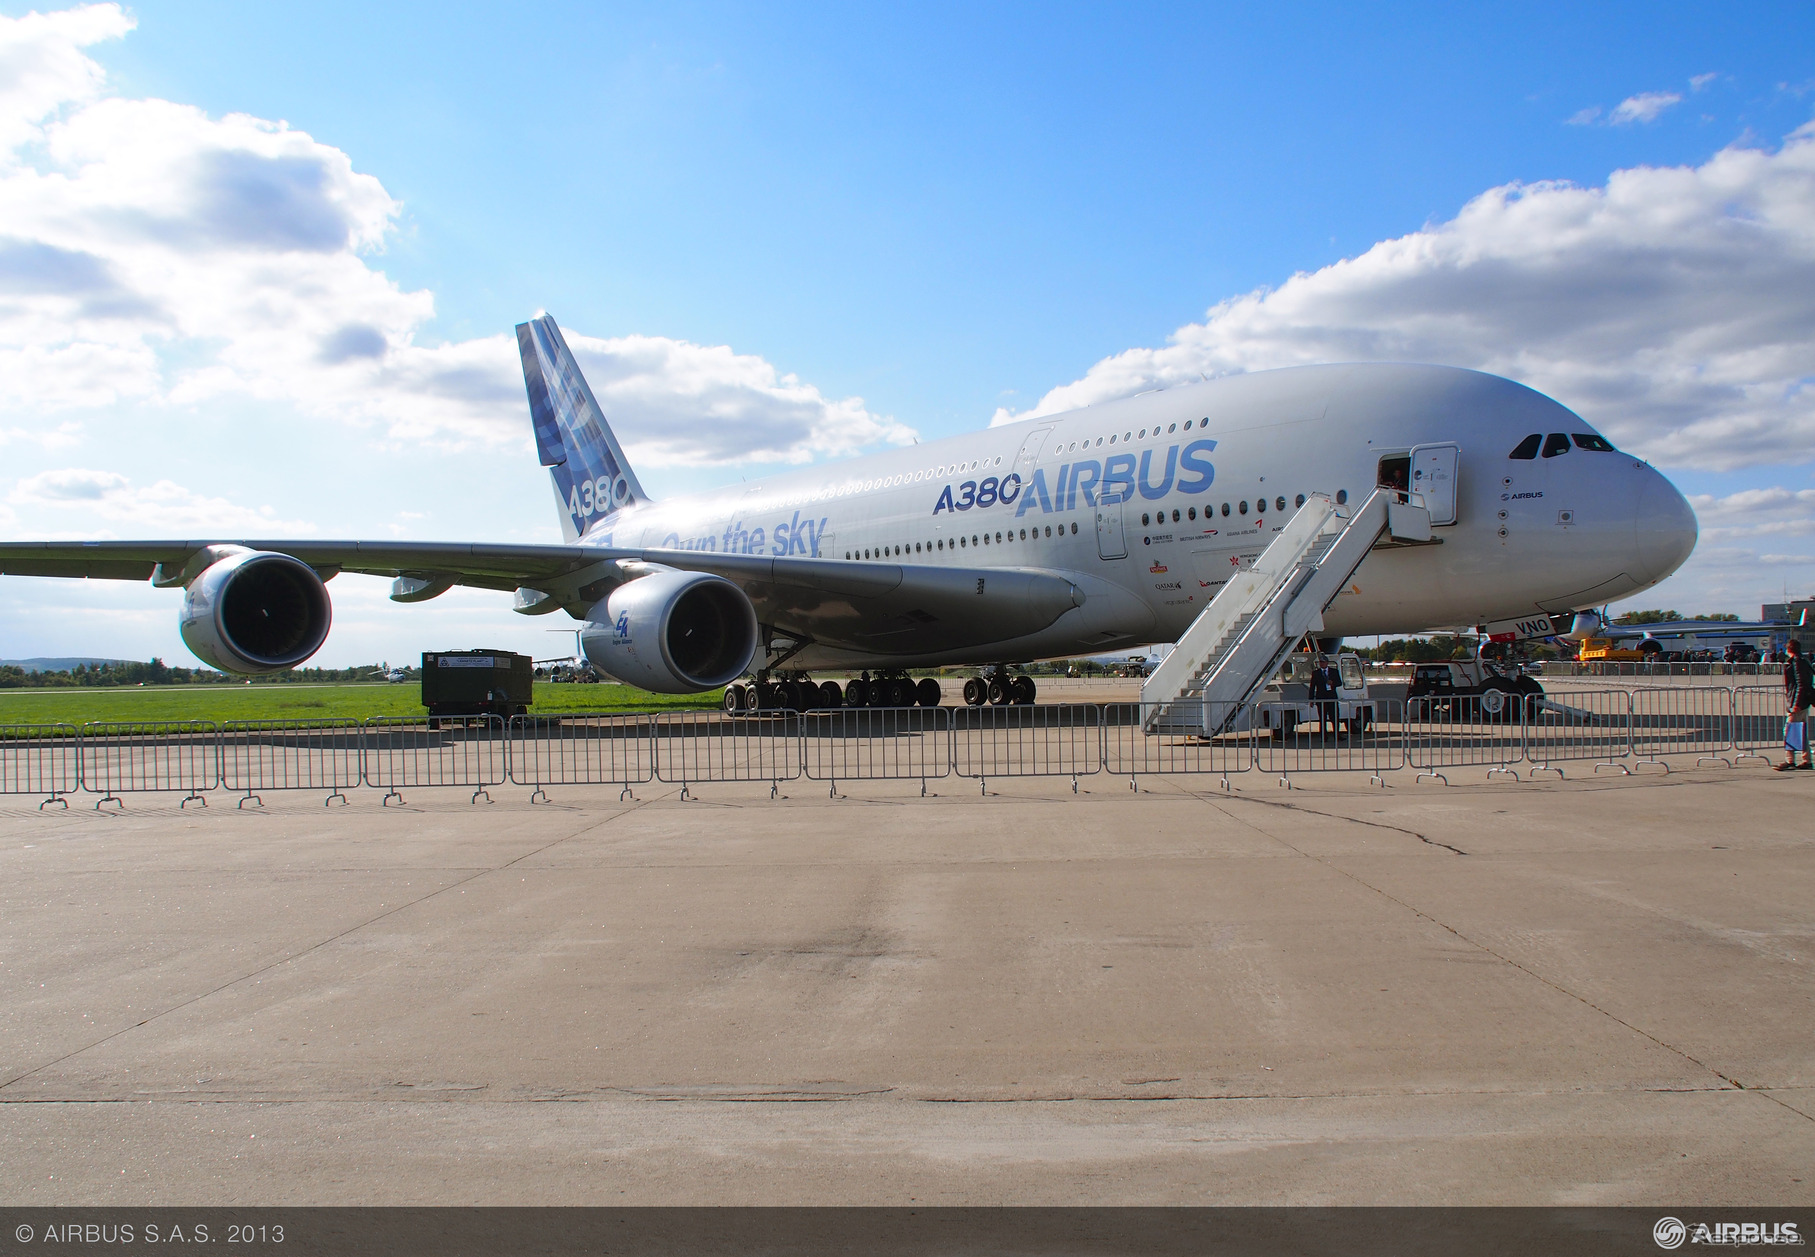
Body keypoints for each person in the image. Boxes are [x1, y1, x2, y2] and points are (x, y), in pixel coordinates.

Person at [1776, 639, 1814, 772]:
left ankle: (1790, 760)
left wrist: (1796, 704)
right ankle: (1806, 760)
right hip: (1804, 702)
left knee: (1789, 729)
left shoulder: (1797, 662)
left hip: (1798, 702)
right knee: (1802, 731)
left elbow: (1801, 684)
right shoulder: (1803, 661)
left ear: (1789, 649)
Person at [1308, 653, 1341, 734]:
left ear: (1327, 663)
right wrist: (1311, 699)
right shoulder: (1316, 673)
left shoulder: (1334, 671)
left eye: (1323, 662)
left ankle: (1337, 735)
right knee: (1322, 718)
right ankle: (1323, 736)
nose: (1322, 663)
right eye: (1320, 662)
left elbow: (1339, 683)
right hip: (1321, 697)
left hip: (1332, 697)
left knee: (1334, 717)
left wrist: (1332, 683)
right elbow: (1312, 687)